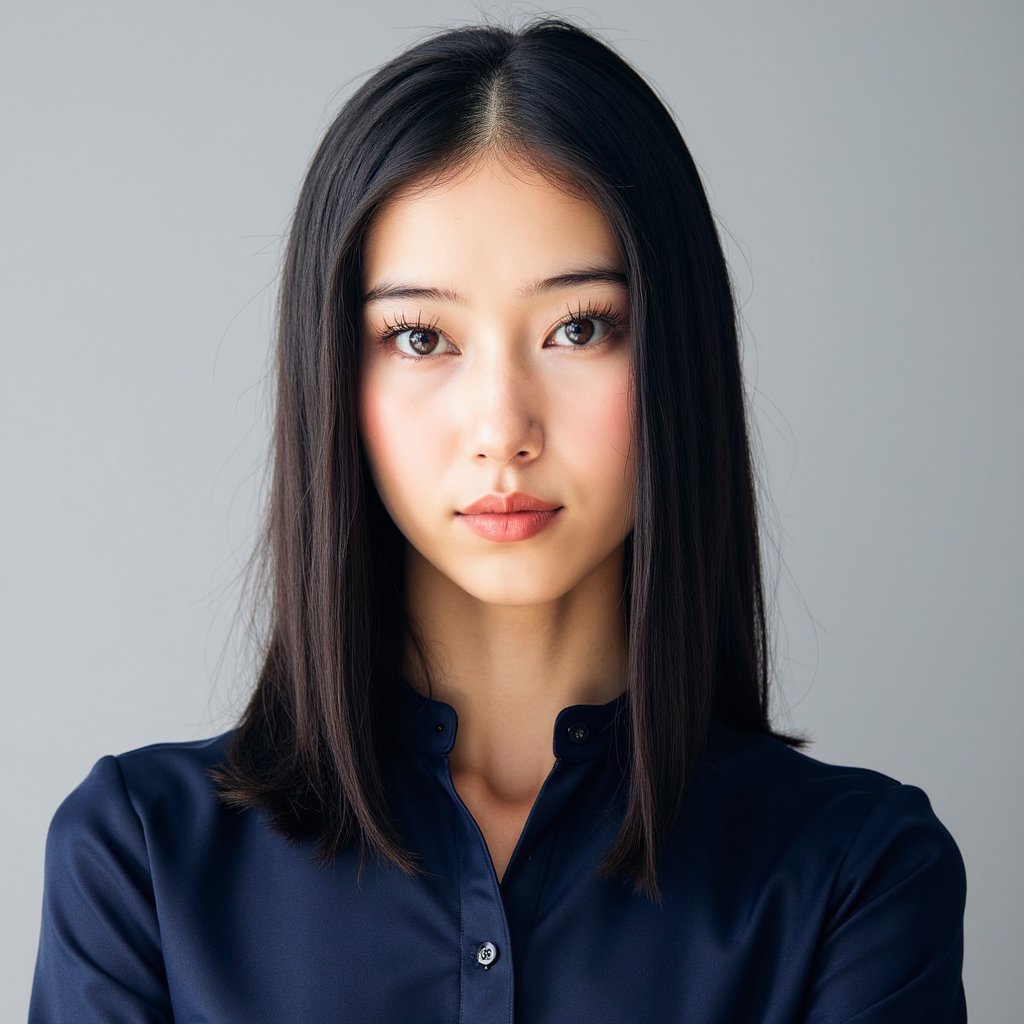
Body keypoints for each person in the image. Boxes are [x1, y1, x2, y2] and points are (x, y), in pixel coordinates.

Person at [28, 15, 967, 1023]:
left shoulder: (855, 875)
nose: (502, 428)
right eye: (422, 335)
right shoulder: (140, 865)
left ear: (675, 357)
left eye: (578, 327)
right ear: (334, 379)